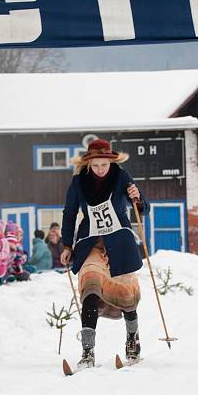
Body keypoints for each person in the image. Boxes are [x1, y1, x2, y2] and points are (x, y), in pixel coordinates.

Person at [61, 138, 149, 368]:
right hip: (90, 243)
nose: (100, 169)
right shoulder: (79, 182)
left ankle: (133, 343)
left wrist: (137, 197)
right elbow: (69, 214)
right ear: (88, 163)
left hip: (119, 242)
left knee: (127, 296)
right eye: (96, 165)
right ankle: (87, 353)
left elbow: (143, 208)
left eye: (104, 164)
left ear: (111, 162)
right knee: (89, 288)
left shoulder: (121, 176)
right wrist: (67, 245)